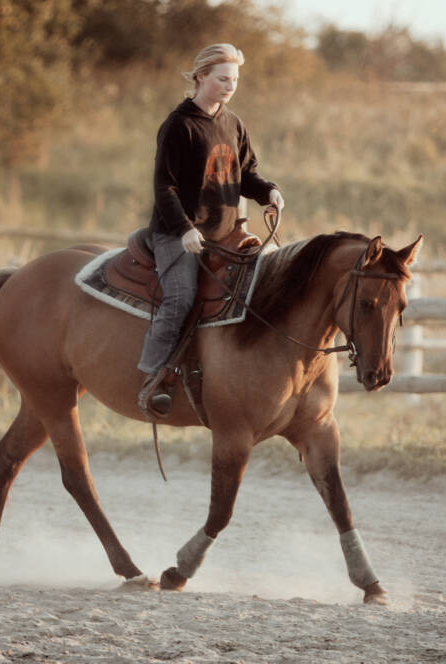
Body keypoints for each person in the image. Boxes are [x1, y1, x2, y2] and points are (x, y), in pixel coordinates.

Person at [137, 43, 284, 417]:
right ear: (201, 77)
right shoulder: (179, 125)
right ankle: (152, 377)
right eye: (222, 79)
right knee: (181, 299)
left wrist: (268, 190)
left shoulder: (233, 123)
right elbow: (164, 186)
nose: (229, 86)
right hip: (179, 235)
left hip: (226, 233)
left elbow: (245, 173)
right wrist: (184, 229)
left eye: (233, 80)